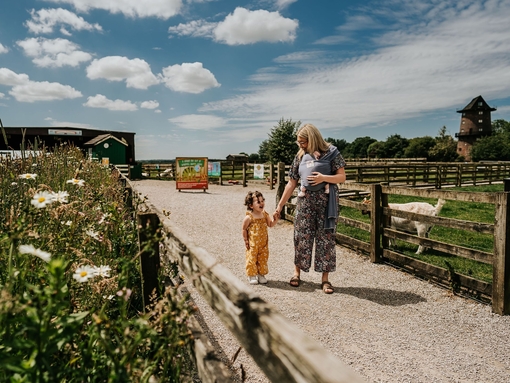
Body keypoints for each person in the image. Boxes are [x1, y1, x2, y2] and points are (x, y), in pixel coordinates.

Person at [274, 123, 346, 294]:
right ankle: (296, 273)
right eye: (298, 142)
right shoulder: (299, 156)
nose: (301, 145)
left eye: (303, 142)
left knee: (325, 239)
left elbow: (342, 177)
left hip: (326, 204)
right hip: (305, 203)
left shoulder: (332, 153)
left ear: (312, 139)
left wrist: (323, 178)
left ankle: (325, 280)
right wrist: (279, 206)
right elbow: (291, 182)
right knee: (301, 237)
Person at [242, 190, 278, 285]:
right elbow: (244, 229)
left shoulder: (265, 215)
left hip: (263, 243)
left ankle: (261, 274)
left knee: (263, 258)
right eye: (258, 202)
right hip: (253, 243)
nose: (261, 203)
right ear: (251, 205)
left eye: (262, 201)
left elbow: (270, 224)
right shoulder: (249, 217)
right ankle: (252, 275)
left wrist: (275, 219)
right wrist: (246, 240)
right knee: (252, 258)